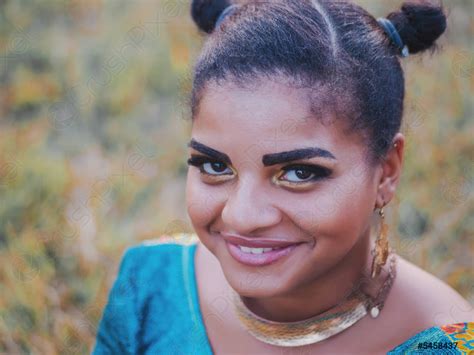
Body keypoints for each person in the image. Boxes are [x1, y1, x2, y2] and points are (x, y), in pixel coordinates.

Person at [93, 0, 474, 353]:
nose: (242, 217)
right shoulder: (152, 284)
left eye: (299, 172)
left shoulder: (445, 344)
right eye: (215, 166)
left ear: (386, 172)